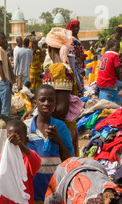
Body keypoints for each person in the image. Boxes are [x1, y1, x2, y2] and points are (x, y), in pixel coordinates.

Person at [42, 27, 81, 156]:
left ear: (49, 49)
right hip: (64, 128)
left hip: (60, 132)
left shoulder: (58, 69)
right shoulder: (63, 67)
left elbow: (62, 108)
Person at [0, 32, 13, 118]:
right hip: (1, 80)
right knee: (5, 107)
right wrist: (4, 80)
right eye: (3, 39)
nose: (5, 40)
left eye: (5, 39)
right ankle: (4, 124)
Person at [66, 20, 85, 97]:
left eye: (78, 27)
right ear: (71, 28)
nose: (77, 29)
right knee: (78, 86)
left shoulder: (75, 39)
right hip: (76, 68)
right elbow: (72, 56)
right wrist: (79, 69)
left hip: (79, 66)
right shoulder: (73, 41)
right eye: (75, 27)